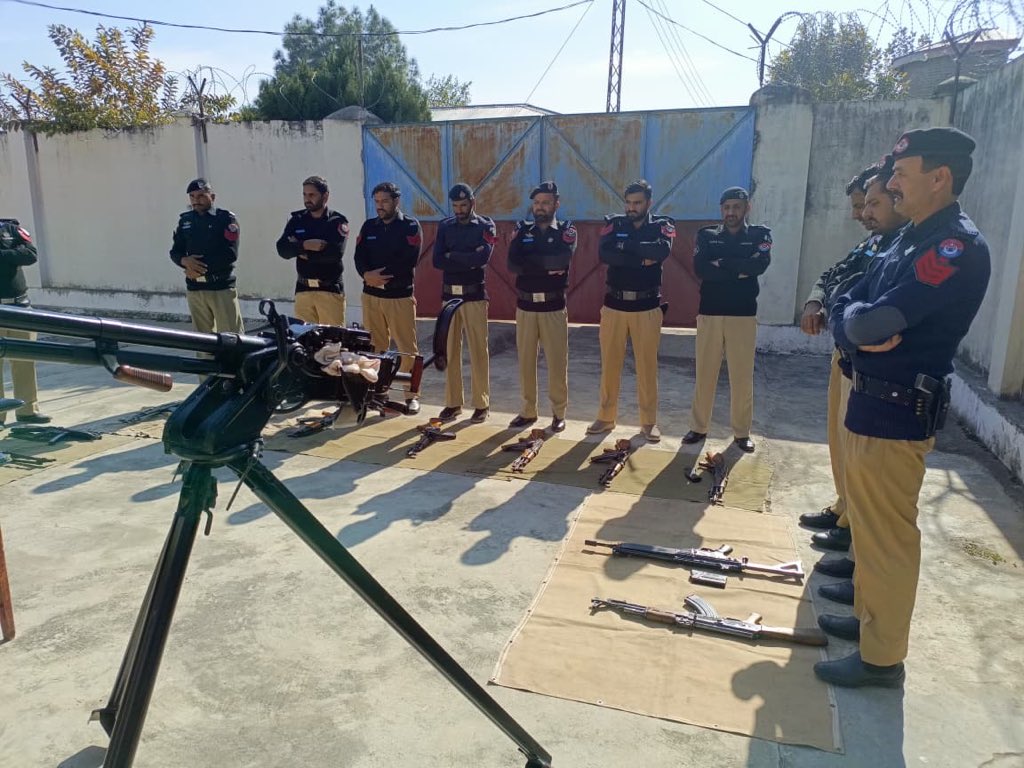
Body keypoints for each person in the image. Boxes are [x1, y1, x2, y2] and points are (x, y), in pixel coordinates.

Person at [816, 127, 989, 688]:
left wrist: (854, 323)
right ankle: (868, 616)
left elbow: (870, 320)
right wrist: (853, 325)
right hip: (870, 397)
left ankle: (881, 658)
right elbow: (852, 302)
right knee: (867, 527)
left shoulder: (952, 247)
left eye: (900, 175)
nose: (889, 184)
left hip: (898, 410)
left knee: (888, 538)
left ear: (940, 178)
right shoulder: (908, 239)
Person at [798, 161, 896, 562]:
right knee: (839, 440)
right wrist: (817, 300)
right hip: (845, 354)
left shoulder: (901, 246)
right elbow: (834, 274)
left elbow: (870, 304)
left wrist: (839, 313)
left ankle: (852, 528)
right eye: (859, 205)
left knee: (860, 453)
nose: (861, 214)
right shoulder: (872, 244)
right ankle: (843, 509)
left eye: (867, 204)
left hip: (871, 363)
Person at [684, 186, 771, 453]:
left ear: (747, 208)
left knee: (741, 376)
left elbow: (759, 266)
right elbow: (701, 269)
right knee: (705, 373)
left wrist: (722, 263)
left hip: (742, 314)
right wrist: (739, 269)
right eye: (726, 207)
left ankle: (741, 433)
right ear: (721, 209)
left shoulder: (760, 234)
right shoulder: (707, 235)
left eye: (736, 207)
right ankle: (699, 428)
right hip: (710, 312)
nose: (730, 212)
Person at [588, 179, 674, 442]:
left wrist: (625, 248)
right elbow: (605, 255)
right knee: (610, 364)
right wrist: (641, 257)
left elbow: (661, 252)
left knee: (646, 366)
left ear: (649, 202)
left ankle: (648, 423)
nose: (632, 207)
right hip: (614, 305)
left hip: (646, 306)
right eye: (628, 202)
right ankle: (605, 417)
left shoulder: (662, 226)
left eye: (637, 203)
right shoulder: (614, 224)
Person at [507, 181, 576, 433]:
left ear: (556, 204)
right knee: (526, 361)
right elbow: (512, 265)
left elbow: (561, 259)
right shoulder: (522, 229)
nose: (540, 207)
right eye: (536, 203)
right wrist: (544, 265)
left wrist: (531, 261)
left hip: (553, 307)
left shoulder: (566, 232)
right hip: (525, 306)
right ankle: (528, 411)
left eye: (546, 202)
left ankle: (558, 413)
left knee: (557, 362)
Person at [354, 181, 422, 413]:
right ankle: (377, 392)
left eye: (384, 201)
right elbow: (358, 256)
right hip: (371, 296)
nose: (380, 206)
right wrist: (366, 274)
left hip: (398, 297)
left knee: (406, 349)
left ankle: (411, 396)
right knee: (374, 347)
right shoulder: (369, 227)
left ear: (396, 201)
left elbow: (408, 260)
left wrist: (380, 276)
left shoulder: (410, 227)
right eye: (377, 202)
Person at [432, 183, 496, 424]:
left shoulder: (485, 225)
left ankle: (481, 404)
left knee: (478, 351)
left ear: (473, 203)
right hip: (449, 298)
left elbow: (483, 258)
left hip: (474, 296)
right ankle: (453, 403)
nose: (459, 210)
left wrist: (453, 255)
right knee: (449, 350)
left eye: (463, 205)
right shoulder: (445, 226)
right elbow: (437, 260)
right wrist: (466, 257)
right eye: (455, 206)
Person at [169, 179, 244, 336]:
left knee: (232, 339)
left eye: (201, 196)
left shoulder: (225, 219)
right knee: (202, 342)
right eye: (192, 196)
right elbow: (175, 252)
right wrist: (184, 261)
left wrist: (199, 269)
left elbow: (230, 254)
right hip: (195, 289)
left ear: (212, 197)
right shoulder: (185, 221)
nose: (196, 200)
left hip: (220, 287)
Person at [275, 175, 349, 326]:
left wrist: (300, 251)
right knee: (305, 341)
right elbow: (282, 249)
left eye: (312, 195)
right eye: (304, 194)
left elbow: (334, 254)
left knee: (331, 344)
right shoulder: (297, 220)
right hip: (303, 290)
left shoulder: (336, 221)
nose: (307, 199)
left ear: (325, 196)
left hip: (329, 290)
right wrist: (306, 245)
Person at [0, 218, 50, 427]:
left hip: (19, 307)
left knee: (25, 360)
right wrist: (12, 255)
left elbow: (30, 255)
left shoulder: (9, 228)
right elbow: (19, 255)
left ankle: (27, 410)